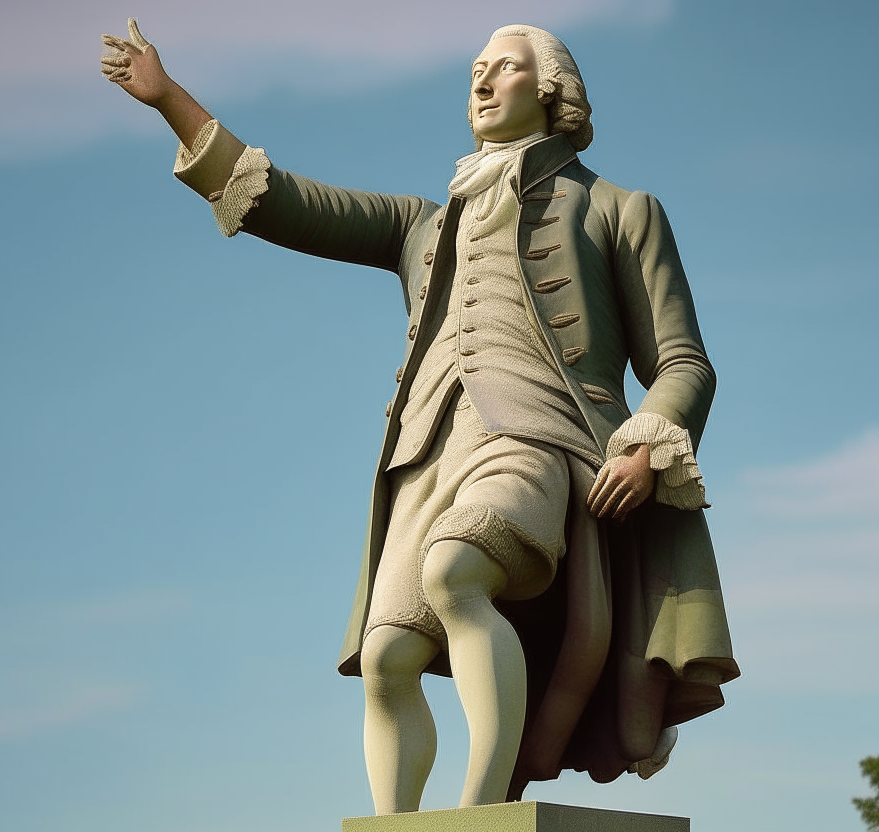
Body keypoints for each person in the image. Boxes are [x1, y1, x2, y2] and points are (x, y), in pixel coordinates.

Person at [101, 19, 740, 815]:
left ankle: (479, 812)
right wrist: (170, 101)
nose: (480, 82)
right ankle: (395, 826)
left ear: (551, 90)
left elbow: (684, 362)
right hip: (426, 455)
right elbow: (285, 203)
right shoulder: (422, 226)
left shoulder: (617, 209)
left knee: (455, 571)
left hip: (542, 441)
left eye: (502, 68)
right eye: (474, 68)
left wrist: (646, 450)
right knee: (388, 657)